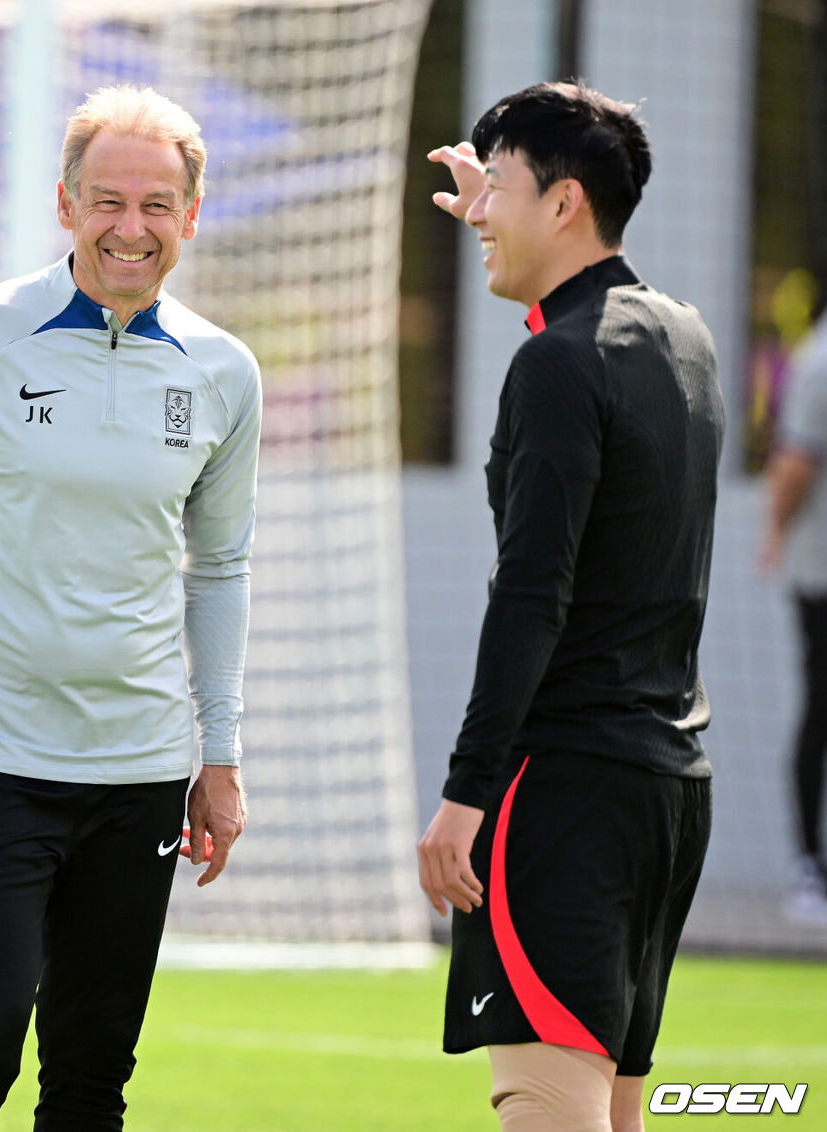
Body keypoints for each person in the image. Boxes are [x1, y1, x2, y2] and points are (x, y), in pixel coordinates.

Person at [0, 84, 261, 1131]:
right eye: (109, 201)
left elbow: (217, 569)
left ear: (191, 215)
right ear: (65, 203)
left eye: (158, 204)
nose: (132, 228)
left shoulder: (224, 373)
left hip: (141, 774)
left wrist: (217, 755)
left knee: (91, 1073)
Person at [416, 81, 724, 1131]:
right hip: (665, 797)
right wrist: (494, 196)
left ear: (565, 204)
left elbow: (531, 595)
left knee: (550, 1112)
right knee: (612, 1114)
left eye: (497, 187)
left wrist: (466, 791)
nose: (480, 211)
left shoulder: (554, 364)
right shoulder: (682, 338)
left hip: (565, 796)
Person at [760, 311, 827, 925]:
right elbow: (798, 463)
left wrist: (774, 532)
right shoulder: (818, 362)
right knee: (820, 711)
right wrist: (777, 529)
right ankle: (811, 866)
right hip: (822, 580)